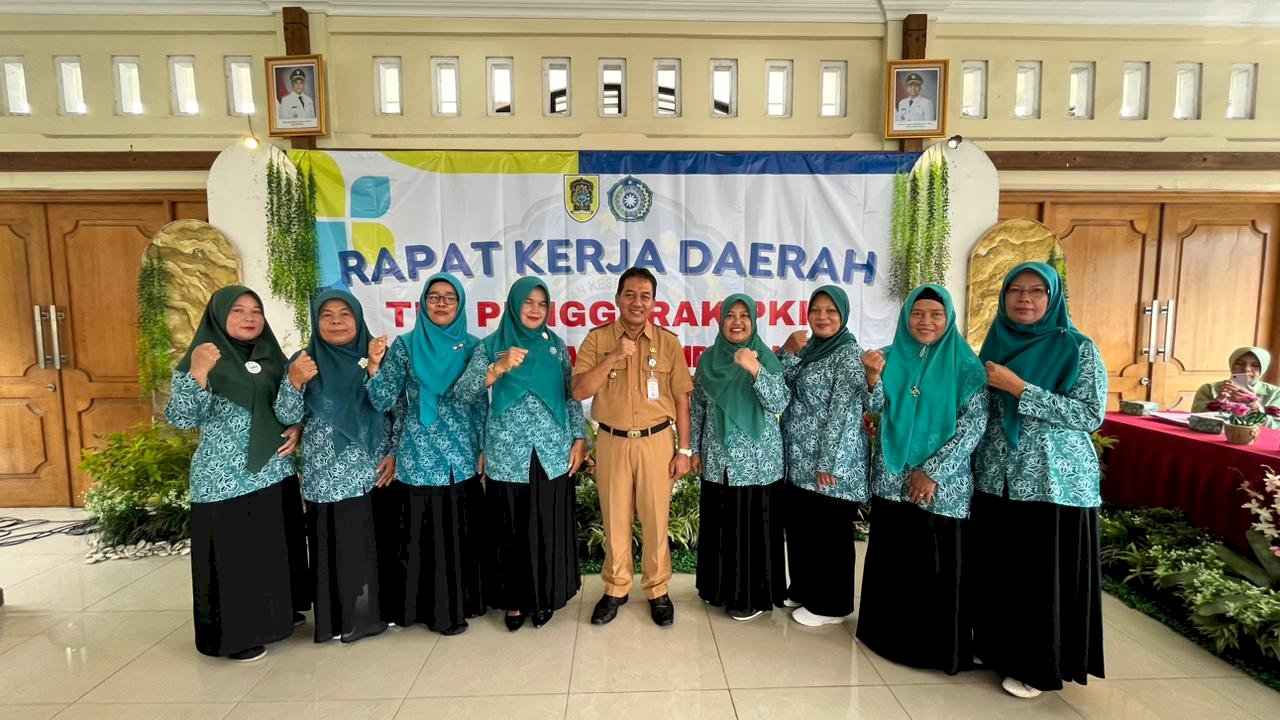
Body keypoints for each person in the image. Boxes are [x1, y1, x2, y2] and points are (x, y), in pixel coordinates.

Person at [970, 262, 1108, 699]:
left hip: (1053, 483)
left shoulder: (1077, 347)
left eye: (1036, 291)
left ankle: (1037, 666)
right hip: (996, 476)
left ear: (1052, 298)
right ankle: (995, 648)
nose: (1024, 299)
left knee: (1039, 577)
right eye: (1015, 290)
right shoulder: (994, 343)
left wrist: (1020, 389)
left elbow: (1090, 414)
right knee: (1000, 570)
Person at [165, 285, 305, 662]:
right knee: (236, 560)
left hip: (274, 471)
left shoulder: (272, 357)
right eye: (238, 310)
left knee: (270, 552)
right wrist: (199, 372)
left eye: (255, 310)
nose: (249, 317)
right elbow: (182, 418)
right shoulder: (203, 358)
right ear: (218, 316)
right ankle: (237, 636)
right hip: (226, 478)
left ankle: (275, 619)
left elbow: (287, 409)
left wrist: (297, 427)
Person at [855, 284, 989, 673]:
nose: (925, 321)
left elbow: (973, 425)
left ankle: (930, 650)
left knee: (934, 563)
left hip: (941, 485)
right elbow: (875, 408)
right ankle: (885, 638)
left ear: (948, 318)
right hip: (893, 476)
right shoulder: (891, 356)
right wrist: (872, 377)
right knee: (894, 559)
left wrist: (932, 472)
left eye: (935, 314)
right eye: (917, 313)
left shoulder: (967, 367)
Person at [457, 277, 587, 631]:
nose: (534, 309)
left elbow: (570, 395)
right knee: (510, 526)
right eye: (528, 302)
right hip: (507, 451)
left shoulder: (555, 347)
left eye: (542, 304)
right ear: (514, 305)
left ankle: (545, 596)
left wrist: (579, 437)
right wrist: (497, 369)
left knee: (546, 524)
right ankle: (514, 600)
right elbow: (465, 394)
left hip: (551, 450)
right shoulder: (490, 347)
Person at [365, 272, 487, 636]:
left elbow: (480, 403)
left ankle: (460, 604)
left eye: (450, 297)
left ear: (460, 304)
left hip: (461, 455)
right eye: (434, 297)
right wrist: (374, 366)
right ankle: (425, 609)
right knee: (424, 534)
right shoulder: (405, 346)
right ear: (423, 303)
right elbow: (384, 401)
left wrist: (483, 446)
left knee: (458, 533)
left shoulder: (474, 347)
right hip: (418, 454)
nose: (441, 303)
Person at [276, 290, 400, 644]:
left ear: (357, 318)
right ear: (316, 322)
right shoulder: (303, 361)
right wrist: (294, 380)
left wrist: (394, 451)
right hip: (328, 472)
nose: (336, 321)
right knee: (338, 547)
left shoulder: (379, 355)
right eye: (326, 315)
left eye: (344, 314)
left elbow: (396, 408)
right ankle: (340, 619)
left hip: (375, 469)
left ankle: (378, 612)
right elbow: (286, 415)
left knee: (375, 542)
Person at [572, 267, 694, 627]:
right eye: (630, 294)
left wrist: (684, 450)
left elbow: (682, 399)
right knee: (615, 518)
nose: (637, 302)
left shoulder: (668, 343)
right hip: (613, 441)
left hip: (657, 441)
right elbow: (579, 390)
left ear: (653, 302)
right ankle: (616, 588)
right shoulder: (597, 339)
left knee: (656, 519)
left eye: (644, 296)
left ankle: (657, 590)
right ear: (618, 299)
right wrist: (612, 357)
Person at [691, 293, 790, 621]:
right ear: (721, 321)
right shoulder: (708, 360)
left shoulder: (765, 357)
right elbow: (698, 408)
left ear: (753, 321)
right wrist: (693, 449)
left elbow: (779, 403)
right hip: (718, 460)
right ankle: (717, 588)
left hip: (757, 462)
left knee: (750, 528)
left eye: (744, 316)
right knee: (721, 524)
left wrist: (755, 369)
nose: (737, 322)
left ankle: (750, 597)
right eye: (730, 316)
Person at [777, 285, 869, 627]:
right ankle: (804, 588)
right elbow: (783, 385)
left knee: (829, 534)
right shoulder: (811, 349)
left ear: (842, 315)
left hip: (830, 463)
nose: (822, 317)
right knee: (803, 528)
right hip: (800, 459)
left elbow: (844, 412)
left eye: (831, 311)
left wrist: (830, 462)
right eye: (816, 310)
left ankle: (831, 606)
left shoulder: (848, 354)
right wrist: (788, 351)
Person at [1191, 346, 1280, 428]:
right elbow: (1195, 421)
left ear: (1263, 368)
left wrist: (1255, 406)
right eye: (1240, 363)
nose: (1246, 369)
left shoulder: (1276, 393)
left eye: (1255, 365)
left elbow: (1276, 428)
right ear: (1232, 365)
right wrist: (1219, 401)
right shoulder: (1209, 389)